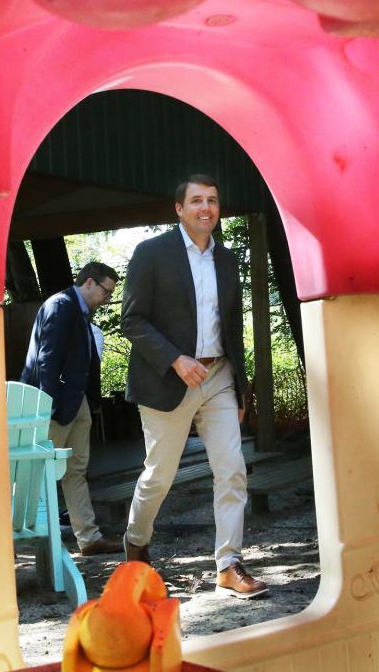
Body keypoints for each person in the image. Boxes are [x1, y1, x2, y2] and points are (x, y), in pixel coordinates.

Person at [121, 174, 268, 598]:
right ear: (179, 209)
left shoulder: (227, 260)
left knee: (232, 469)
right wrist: (174, 358)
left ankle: (229, 564)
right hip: (166, 379)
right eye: (197, 200)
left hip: (219, 377)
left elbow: (233, 327)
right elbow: (132, 319)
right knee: (159, 476)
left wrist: (241, 385)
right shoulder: (151, 254)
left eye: (213, 201)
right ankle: (136, 542)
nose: (207, 208)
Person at [20, 261, 123, 556]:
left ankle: (89, 538)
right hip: (54, 404)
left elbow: (85, 360)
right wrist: (46, 405)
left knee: (75, 469)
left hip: (76, 402)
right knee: (34, 471)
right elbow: (46, 359)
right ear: (89, 283)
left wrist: (91, 402)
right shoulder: (60, 305)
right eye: (106, 291)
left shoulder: (79, 311)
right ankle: (13, 541)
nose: (108, 299)